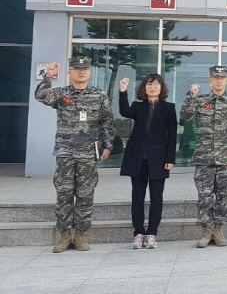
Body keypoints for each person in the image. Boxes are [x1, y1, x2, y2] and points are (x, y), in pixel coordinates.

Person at [34, 57, 114, 253]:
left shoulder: (99, 95)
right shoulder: (61, 94)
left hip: (88, 153)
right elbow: (41, 96)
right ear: (70, 72)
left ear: (90, 72)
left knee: (86, 195)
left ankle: (80, 234)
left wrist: (108, 145)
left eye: (85, 69)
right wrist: (48, 76)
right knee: (64, 195)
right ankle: (64, 235)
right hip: (65, 153)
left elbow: (106, 122)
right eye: (77, 69)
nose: (81, 72)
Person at [180, 65, 227, 248]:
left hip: (226, 158)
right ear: (210, 80)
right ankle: (206, 231)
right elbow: (185, 117)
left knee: (223, 197)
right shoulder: (200, 101)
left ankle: (219, 231)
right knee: (205, 197)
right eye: (215, 77)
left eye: (222, 78)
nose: (218, 80)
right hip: (204, 158)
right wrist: (191, 96)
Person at [119, 74, 177, 249]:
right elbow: (124, 112)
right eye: (149, 84)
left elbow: (172, 135)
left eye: (156, 85)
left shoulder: (169, 108)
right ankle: (138, 233)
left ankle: (152, 233)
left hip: (159, 159)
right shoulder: (138, 107)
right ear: (144, 88)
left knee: (156, 198)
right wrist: (123, 92)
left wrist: (170, 158)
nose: (153, 87)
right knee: (137, 197)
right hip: (137, 158)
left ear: (162, 88)